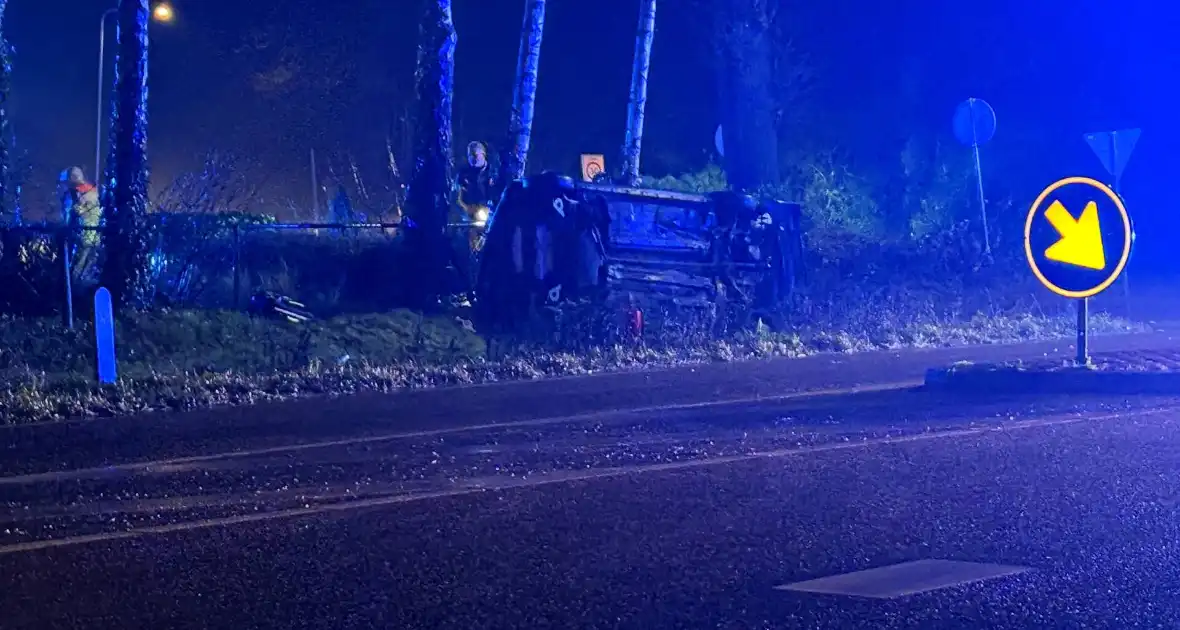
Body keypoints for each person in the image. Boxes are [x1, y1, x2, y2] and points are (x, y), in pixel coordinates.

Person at [59, 166, 101, 279]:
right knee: (88, 260)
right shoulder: (92, 191)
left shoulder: (76, 194)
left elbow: (76, 212)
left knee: (78, 262)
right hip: (93, 231)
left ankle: (74, 282)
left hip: (82, 231)